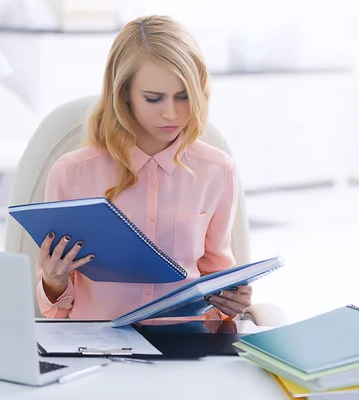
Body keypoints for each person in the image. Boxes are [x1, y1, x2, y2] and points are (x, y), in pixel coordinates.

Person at [36, 15, 253, 320]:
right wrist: (53, 280)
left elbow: (218, 278)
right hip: (98, 346)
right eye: (153, 99)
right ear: (123, 93)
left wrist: (232, 304)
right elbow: (56, 312)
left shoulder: (218, 171)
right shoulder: (71, 173)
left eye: (184, 96)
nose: (172, 113)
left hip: (183, 346)